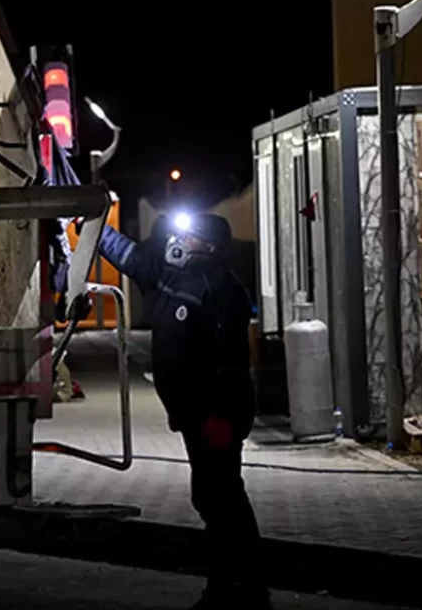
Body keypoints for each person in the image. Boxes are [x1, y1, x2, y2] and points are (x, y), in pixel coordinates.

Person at [95, 212, 268, 609]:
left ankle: (243, 589)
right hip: (193, 416)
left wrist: (222, 417)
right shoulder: (166, 275)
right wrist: (90, 223)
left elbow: (229, 362)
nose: (179, 240)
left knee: (222, 498)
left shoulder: (222, 289)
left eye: (189, 236)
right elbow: (123, 253)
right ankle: (232, 587)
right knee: (210, 498)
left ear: (210, 247)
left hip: (215, 417)